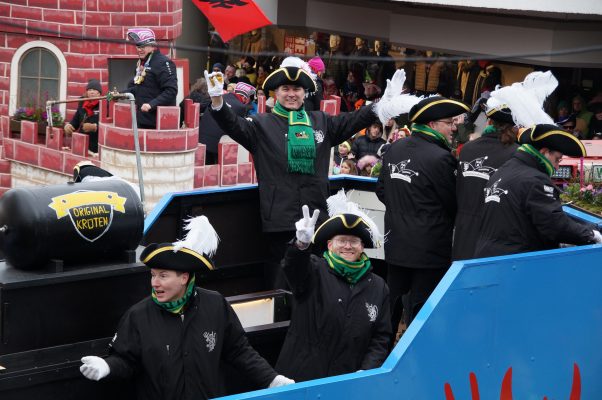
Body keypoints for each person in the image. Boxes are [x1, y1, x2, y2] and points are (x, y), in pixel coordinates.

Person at [204, 60, 417, 289]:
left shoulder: (320, 122)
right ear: (276, 93)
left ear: (304, 93)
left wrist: (382, 104)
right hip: (280, 220)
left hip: (317, 218)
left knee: (316, 282)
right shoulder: (261, 124)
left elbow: (354, 119)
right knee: (282, 282)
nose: (291, 94)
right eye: (285, 89)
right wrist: (217, 101)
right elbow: (233, 125)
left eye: (297, 89)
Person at [79, 216, 294, 399]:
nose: (155, 283)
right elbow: (126, 361)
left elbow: (239, 351)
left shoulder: (215, 305)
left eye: (163, 276)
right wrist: (107, 366)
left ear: (184, 278)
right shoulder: (138, 316)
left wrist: (271, 379)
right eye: (153, 275)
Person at [376, 96, 469, 333]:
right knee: (423, 316)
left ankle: (382, 351)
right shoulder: (441, 158)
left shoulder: (394, 149)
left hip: (396, 244)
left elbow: (381, 191)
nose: (454, 128)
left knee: (391, 308)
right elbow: (453, 203)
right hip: (429, 251)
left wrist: (402, 211)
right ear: (432, 124)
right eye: (449, 123)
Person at [275, 194, 391, 382]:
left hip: (347, 382)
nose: (348, 246)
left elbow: (381, 338)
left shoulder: (378, 286)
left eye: (354, 241)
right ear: (329, 245)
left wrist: (366, 371)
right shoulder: (313, 269)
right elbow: (293, 267)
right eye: (341, 240)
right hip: (302, 378)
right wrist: (301, 245)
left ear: (362, 247)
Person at [474, 125, 602, 257]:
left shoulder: (505, 169)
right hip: (517, 259)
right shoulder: (536, 180)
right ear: (544, 152)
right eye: (557, 160)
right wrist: (591, 235)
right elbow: (554, 225)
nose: (557, 167)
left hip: (488, 255)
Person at [452, 82, 524, 260]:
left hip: (463, 233)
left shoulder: (467, 149)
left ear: (489, 121)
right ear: (515, 126)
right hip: (495, 236)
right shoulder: (517, 154)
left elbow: (457, 191)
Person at [123, 28, 178, 129]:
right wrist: (120, 94)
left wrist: (151, 105)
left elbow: (171, 91)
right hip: (142, 120)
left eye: (143, 46)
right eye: (138, 46)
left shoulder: (163, 62)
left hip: (159, 123)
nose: (139, 49)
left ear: (153, 46)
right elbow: (139, 89)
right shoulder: (141, 63)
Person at [199, 82, 254, 164]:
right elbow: (238, 128)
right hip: (217, 145)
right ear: (245, 97)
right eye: (249, 98)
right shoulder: (241, 107)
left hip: (201, 140)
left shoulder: (222, 97)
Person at [64, 79, 102, 154]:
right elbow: (76, 121)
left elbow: (107, 126)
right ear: (87, 92)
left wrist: (95, 127)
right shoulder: (82, 104)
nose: (92, 92)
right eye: (90, 90)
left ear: (99, 93)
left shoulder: (103, 105)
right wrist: (69, 126)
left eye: (94, 90)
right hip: (81, 145)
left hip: (96, 147)